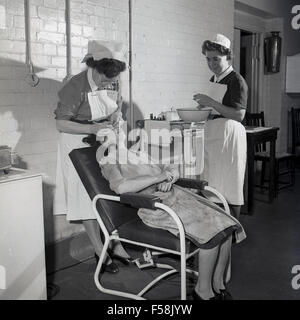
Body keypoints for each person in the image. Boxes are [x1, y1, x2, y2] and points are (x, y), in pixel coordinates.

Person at [96, 127, 246, 300]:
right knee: (211, 233)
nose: (117, 130)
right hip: (155, 207)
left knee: (226, 223)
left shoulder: (139, 154)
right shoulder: (108, 162)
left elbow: (169, 166)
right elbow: (120, 187)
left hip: (178, 196)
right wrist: (158, 178)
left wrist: (170, 176)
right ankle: (203, 291)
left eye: (117, 127)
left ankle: (217, 283)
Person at [53, 40, 131, 274]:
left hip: (103, 140)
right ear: (93, 66)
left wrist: (116, 117)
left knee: (110, 192)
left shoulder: (112, 79)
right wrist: (92, 129)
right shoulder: (74, 85)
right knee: (87, 197)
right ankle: (99, 249)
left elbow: (116, 106)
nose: (109, 83)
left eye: (113, 80)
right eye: (104, 79)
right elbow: (60, 123)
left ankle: (115, 244)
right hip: (77, 142)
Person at [193, 34, 248, 220]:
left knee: (229, 184)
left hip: (229, 137)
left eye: (216, 59)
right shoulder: (214, 79)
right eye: (208, 59)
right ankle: (214, 228)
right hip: (213, 135)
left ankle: (232, 233)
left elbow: (239, 115)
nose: (211, 63)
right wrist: (202, 108)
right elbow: (215, 108)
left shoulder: (236, 80)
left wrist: (212, 102)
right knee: (212, 183)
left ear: (227, 57)